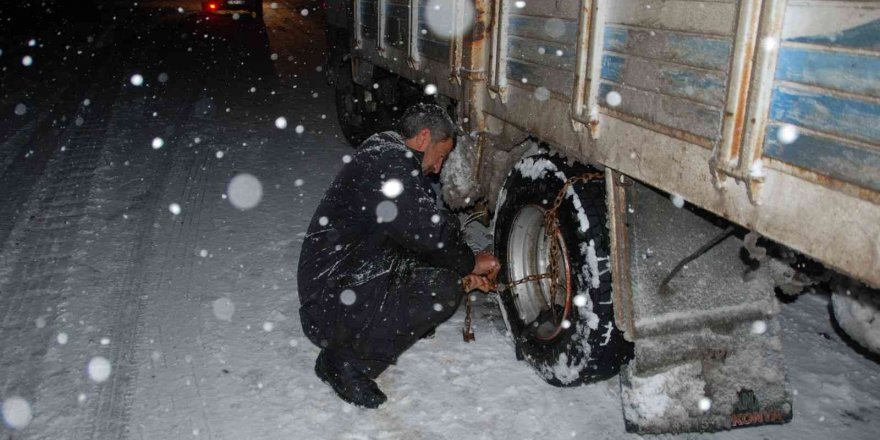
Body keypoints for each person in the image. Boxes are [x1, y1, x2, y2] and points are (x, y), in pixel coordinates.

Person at [297, 103, 500, 408]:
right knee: (442, 289)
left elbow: (419, 230)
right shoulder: (391, 164)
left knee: (442, 254)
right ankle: (344, 362)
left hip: (338, 279)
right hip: (328, 300)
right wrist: (471, 263)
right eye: (441, 155)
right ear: (423, 138)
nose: (439, 167)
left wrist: (458, 265)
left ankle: (388, 321)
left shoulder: (386, 153)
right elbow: (427, 233)